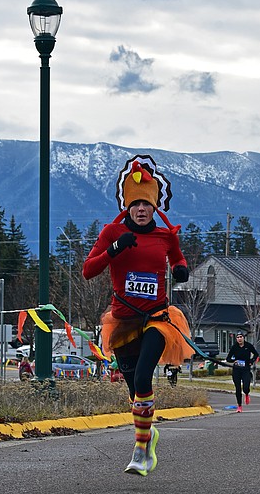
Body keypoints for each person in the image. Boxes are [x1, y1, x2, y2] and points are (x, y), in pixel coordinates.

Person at [83, 155, 193, 476]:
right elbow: (89, 270)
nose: (142, 210)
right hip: (122, 321)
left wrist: (182, 270)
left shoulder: (165, 235)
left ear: (155, 207)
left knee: (145, 378)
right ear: (128, 208)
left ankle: (142, 450)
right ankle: (148, 432)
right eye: (136, 206)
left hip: (158, 319)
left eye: (147, 205)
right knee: (134, 390)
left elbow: (177, 258)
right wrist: (115, 248)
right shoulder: (111, 232)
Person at [226, 331, 259, 412]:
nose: (239, 339)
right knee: (238, 388)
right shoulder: (234, 347)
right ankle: (239, 406)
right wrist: (234, 360)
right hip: (237, 370)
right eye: (238, 337)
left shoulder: (248, 346)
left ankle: (247, 394)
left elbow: (256, 354)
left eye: (241, 337)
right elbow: (228, 358)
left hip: (246, 369)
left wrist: (251, 361)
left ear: (244, 338)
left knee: (246, 387)